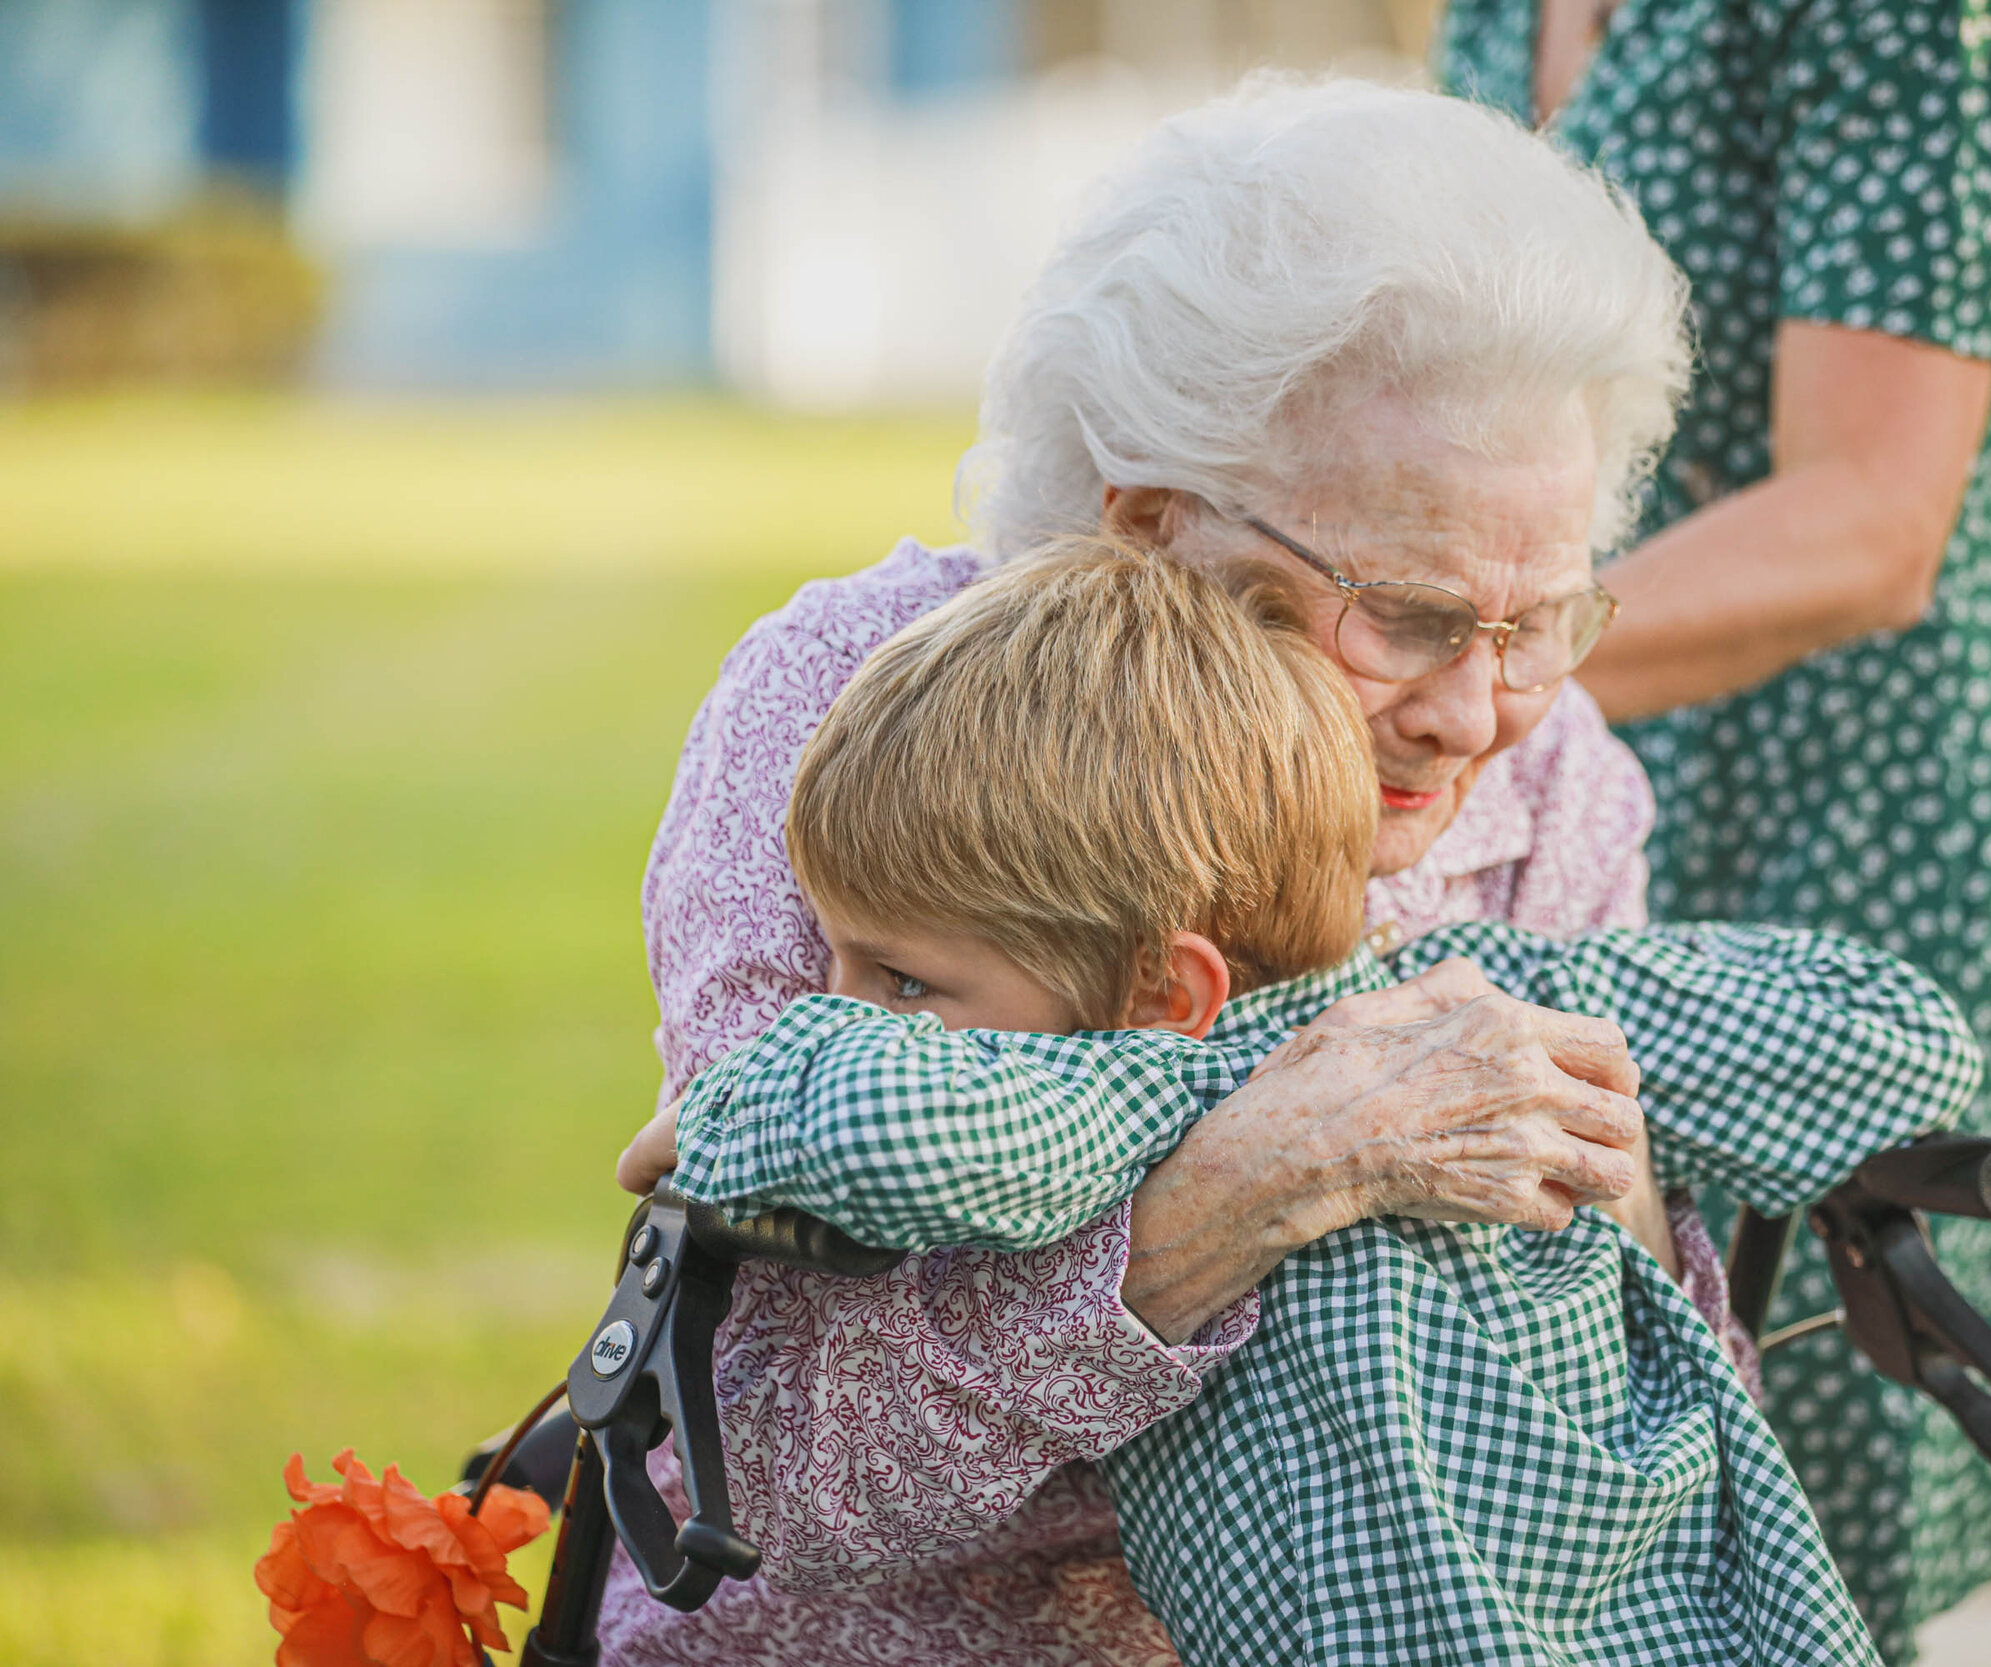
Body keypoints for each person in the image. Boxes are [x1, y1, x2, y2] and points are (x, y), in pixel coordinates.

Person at [611, 78, 1721, 1664]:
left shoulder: (1548, 781)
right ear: (1147, 525)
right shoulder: (856, 715)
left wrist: (1614, 1221)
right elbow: (788, 1480)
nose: (1477, 715)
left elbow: (1640, 1413)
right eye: (1401, 614)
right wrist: (1245, 1187)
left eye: (1537, 618)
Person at [625, 536, 1981, 1667]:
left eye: (904, 983)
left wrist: (731, 1115)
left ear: (1172, 985)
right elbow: (1889, 1043)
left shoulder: (1133, 1083)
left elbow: (918, 1130)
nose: (853, 1012)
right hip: (1709, 1602)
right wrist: (1617, 1047)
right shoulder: (1479, 995)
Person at [1437, 1, 1991, 1656]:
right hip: (1553, 819)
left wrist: (1433, 666)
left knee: (1786, 1550)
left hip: (1857, 831)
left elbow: (1873, 518)